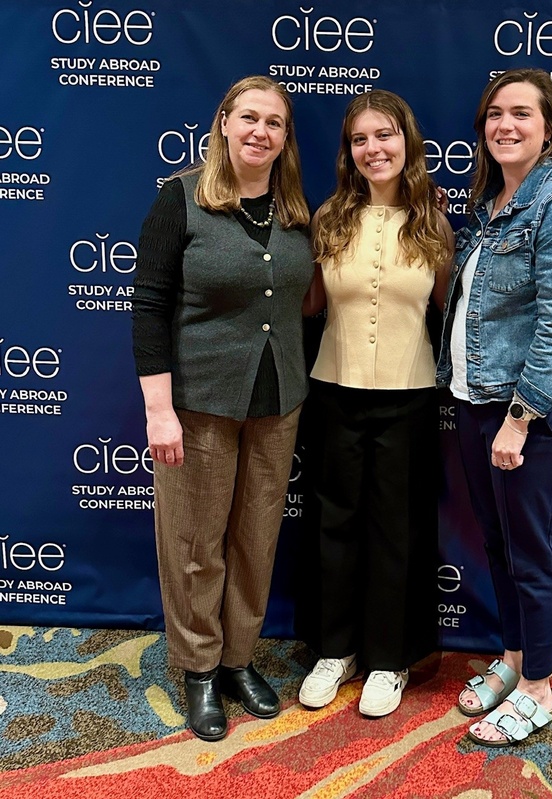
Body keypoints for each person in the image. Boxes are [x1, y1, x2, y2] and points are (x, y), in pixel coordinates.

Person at [131, 75, 313, 741]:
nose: (261, 131)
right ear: (225, 124)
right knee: (195, 543)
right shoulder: (178, 199)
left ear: (285, 137)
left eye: (275, 122)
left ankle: (238, 659)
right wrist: (159, 409)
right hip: (199, 404)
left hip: (278, 403)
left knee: (255, 541)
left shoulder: (297, 211)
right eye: (250, 118)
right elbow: (149, 306)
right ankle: (199, 668)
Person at [436, 68, 552, 746]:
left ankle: (538, 688)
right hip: (478, 402)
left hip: (526, 412)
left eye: (522, 114)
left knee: (531, 552)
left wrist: (520, 416)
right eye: (495, 114)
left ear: (549, 129)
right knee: (500, 545)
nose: (505, 124)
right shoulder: (492, 204)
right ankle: (512, 660)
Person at [297, 90, 453, 717]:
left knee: (397, 529)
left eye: (384, 135)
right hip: (333, 391)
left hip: (409, 397)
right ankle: (336, 652)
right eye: (360, 139)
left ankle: (389, 659)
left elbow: (449, 313)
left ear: (406, 142)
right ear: (349, 151)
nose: (373, 149)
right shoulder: (328, 217)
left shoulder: (433, 222)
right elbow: (307, 305)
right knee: (333, 524)